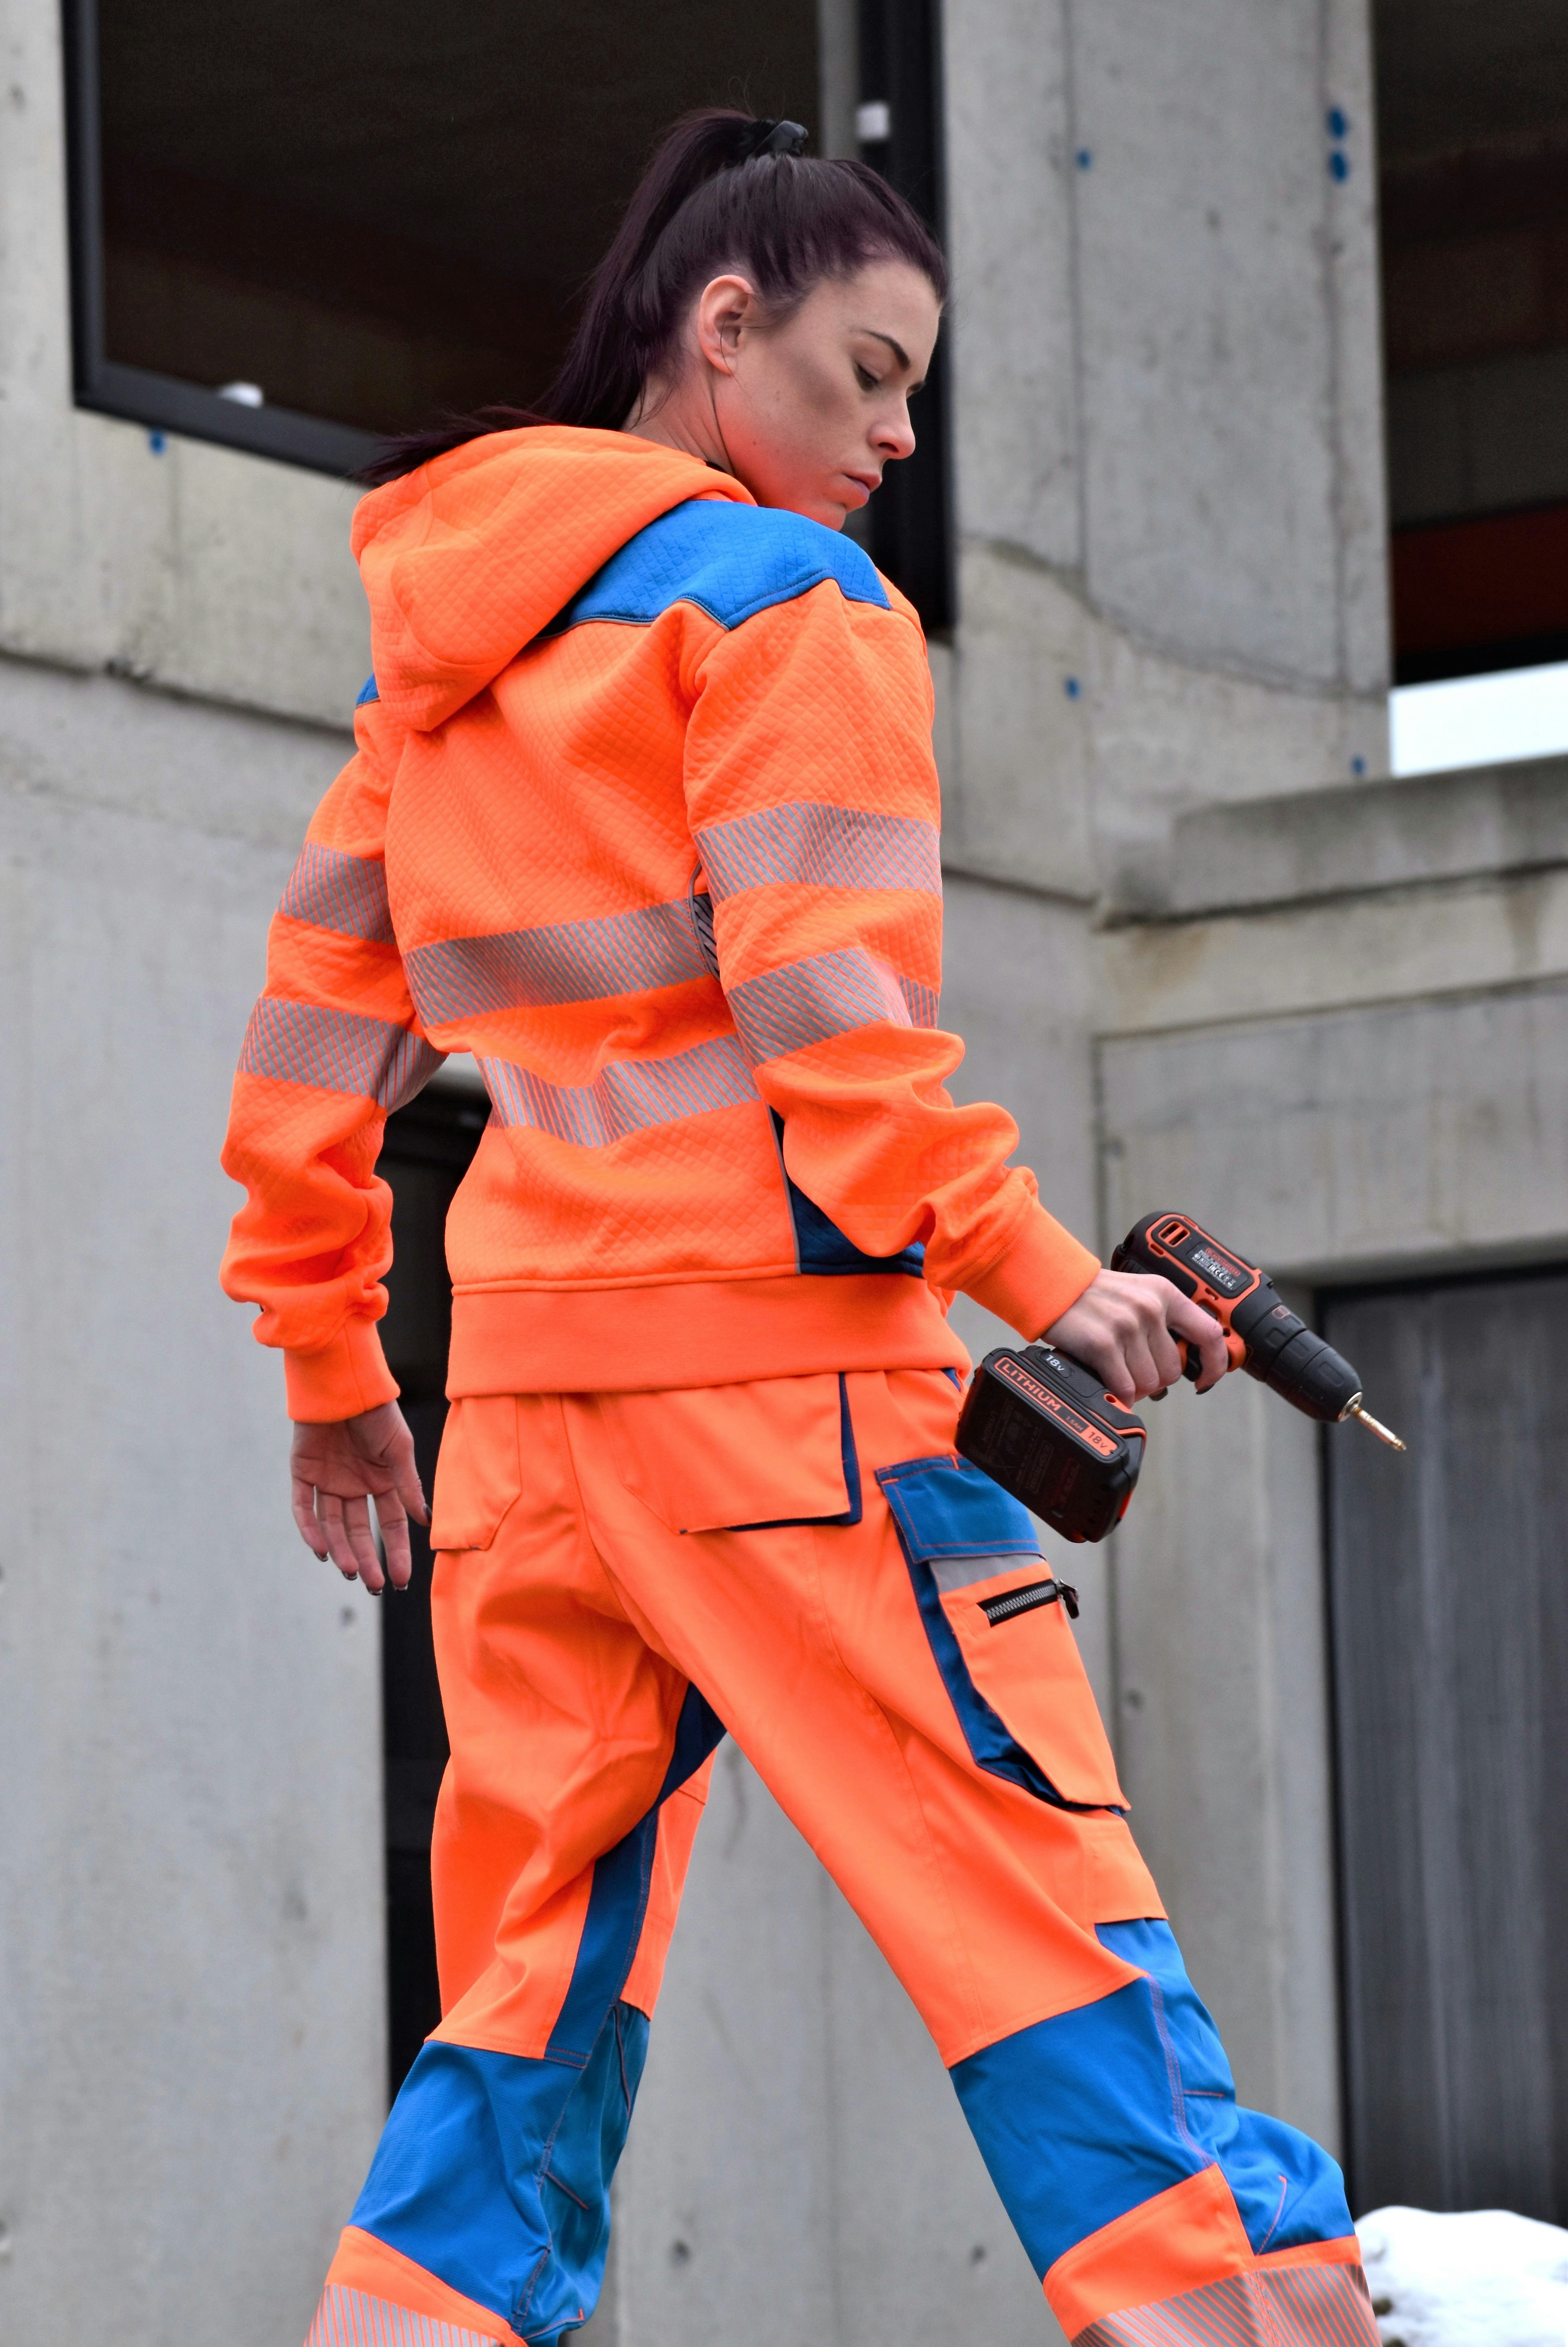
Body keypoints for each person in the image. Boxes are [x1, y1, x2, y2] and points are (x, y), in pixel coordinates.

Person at [220, 109, 1378, 2347]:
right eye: (869, 373)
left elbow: (306, 1062)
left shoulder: (436, 674)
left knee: (517, 2017)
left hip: (527, 1444)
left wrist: (335, 1374)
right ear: (725, 327)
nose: (898, 436)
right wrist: (1051, 1282)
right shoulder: (788, 604)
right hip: (794, 1417)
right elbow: (833, 1031)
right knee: (1045, 1938)